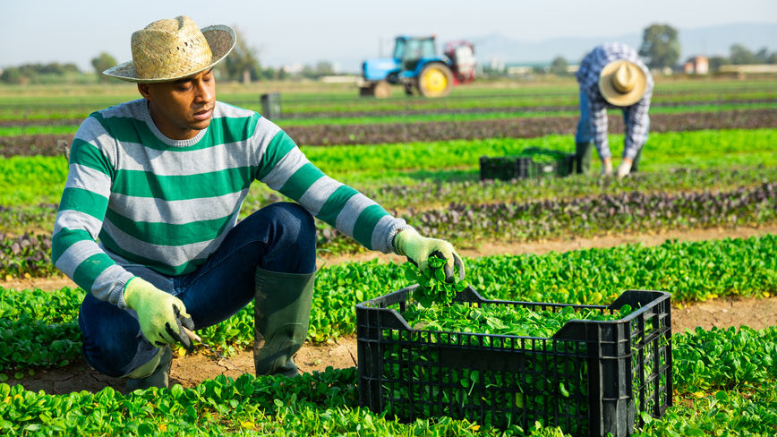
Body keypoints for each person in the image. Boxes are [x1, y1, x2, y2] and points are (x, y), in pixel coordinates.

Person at [52, 15, 464, 393]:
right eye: (184, 85)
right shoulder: (105, 135)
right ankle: (146, 366)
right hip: (139, 285)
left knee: (290, 222)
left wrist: (405, 237)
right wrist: (136, 293)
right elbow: (69, 238)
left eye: (208, 78)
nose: (203, 95)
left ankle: (277, 367)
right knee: (108, 341)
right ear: (146, 89)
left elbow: (326, 194)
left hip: (208, 281)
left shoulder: (247, 132)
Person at [574, 42, 654, 178]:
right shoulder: (594, 84)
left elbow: (637, 124)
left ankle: (631, 169)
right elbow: (598, 124)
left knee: (643, 124)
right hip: (590, 72)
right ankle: (583, 171)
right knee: (587, 122)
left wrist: (626, 162)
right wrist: (606, 162)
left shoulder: (645, 84)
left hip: (627, 78)